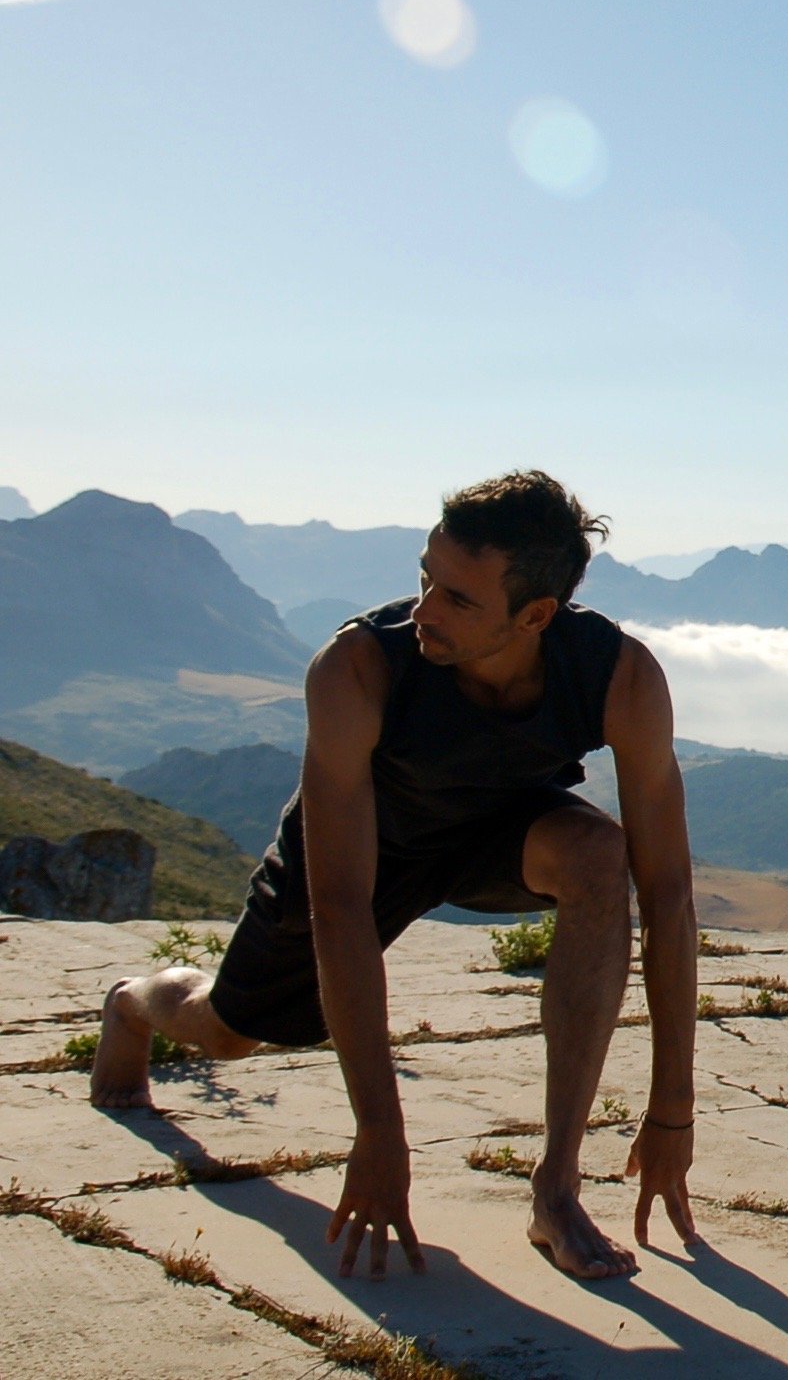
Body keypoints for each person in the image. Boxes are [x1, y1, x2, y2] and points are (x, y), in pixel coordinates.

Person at [89, 470, 698, 1281]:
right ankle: (135, 1002)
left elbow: (668, 894)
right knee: (228, 1031)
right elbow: (339, 906)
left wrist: (671, 1112)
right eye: (424, 579)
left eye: (455, 598)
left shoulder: (618, 675)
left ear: (537, 616)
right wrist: (379, 1136)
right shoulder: (356, 668)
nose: (424, 610)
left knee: (598, 856)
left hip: (501, 832)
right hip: (364, 850)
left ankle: (555, 1189)